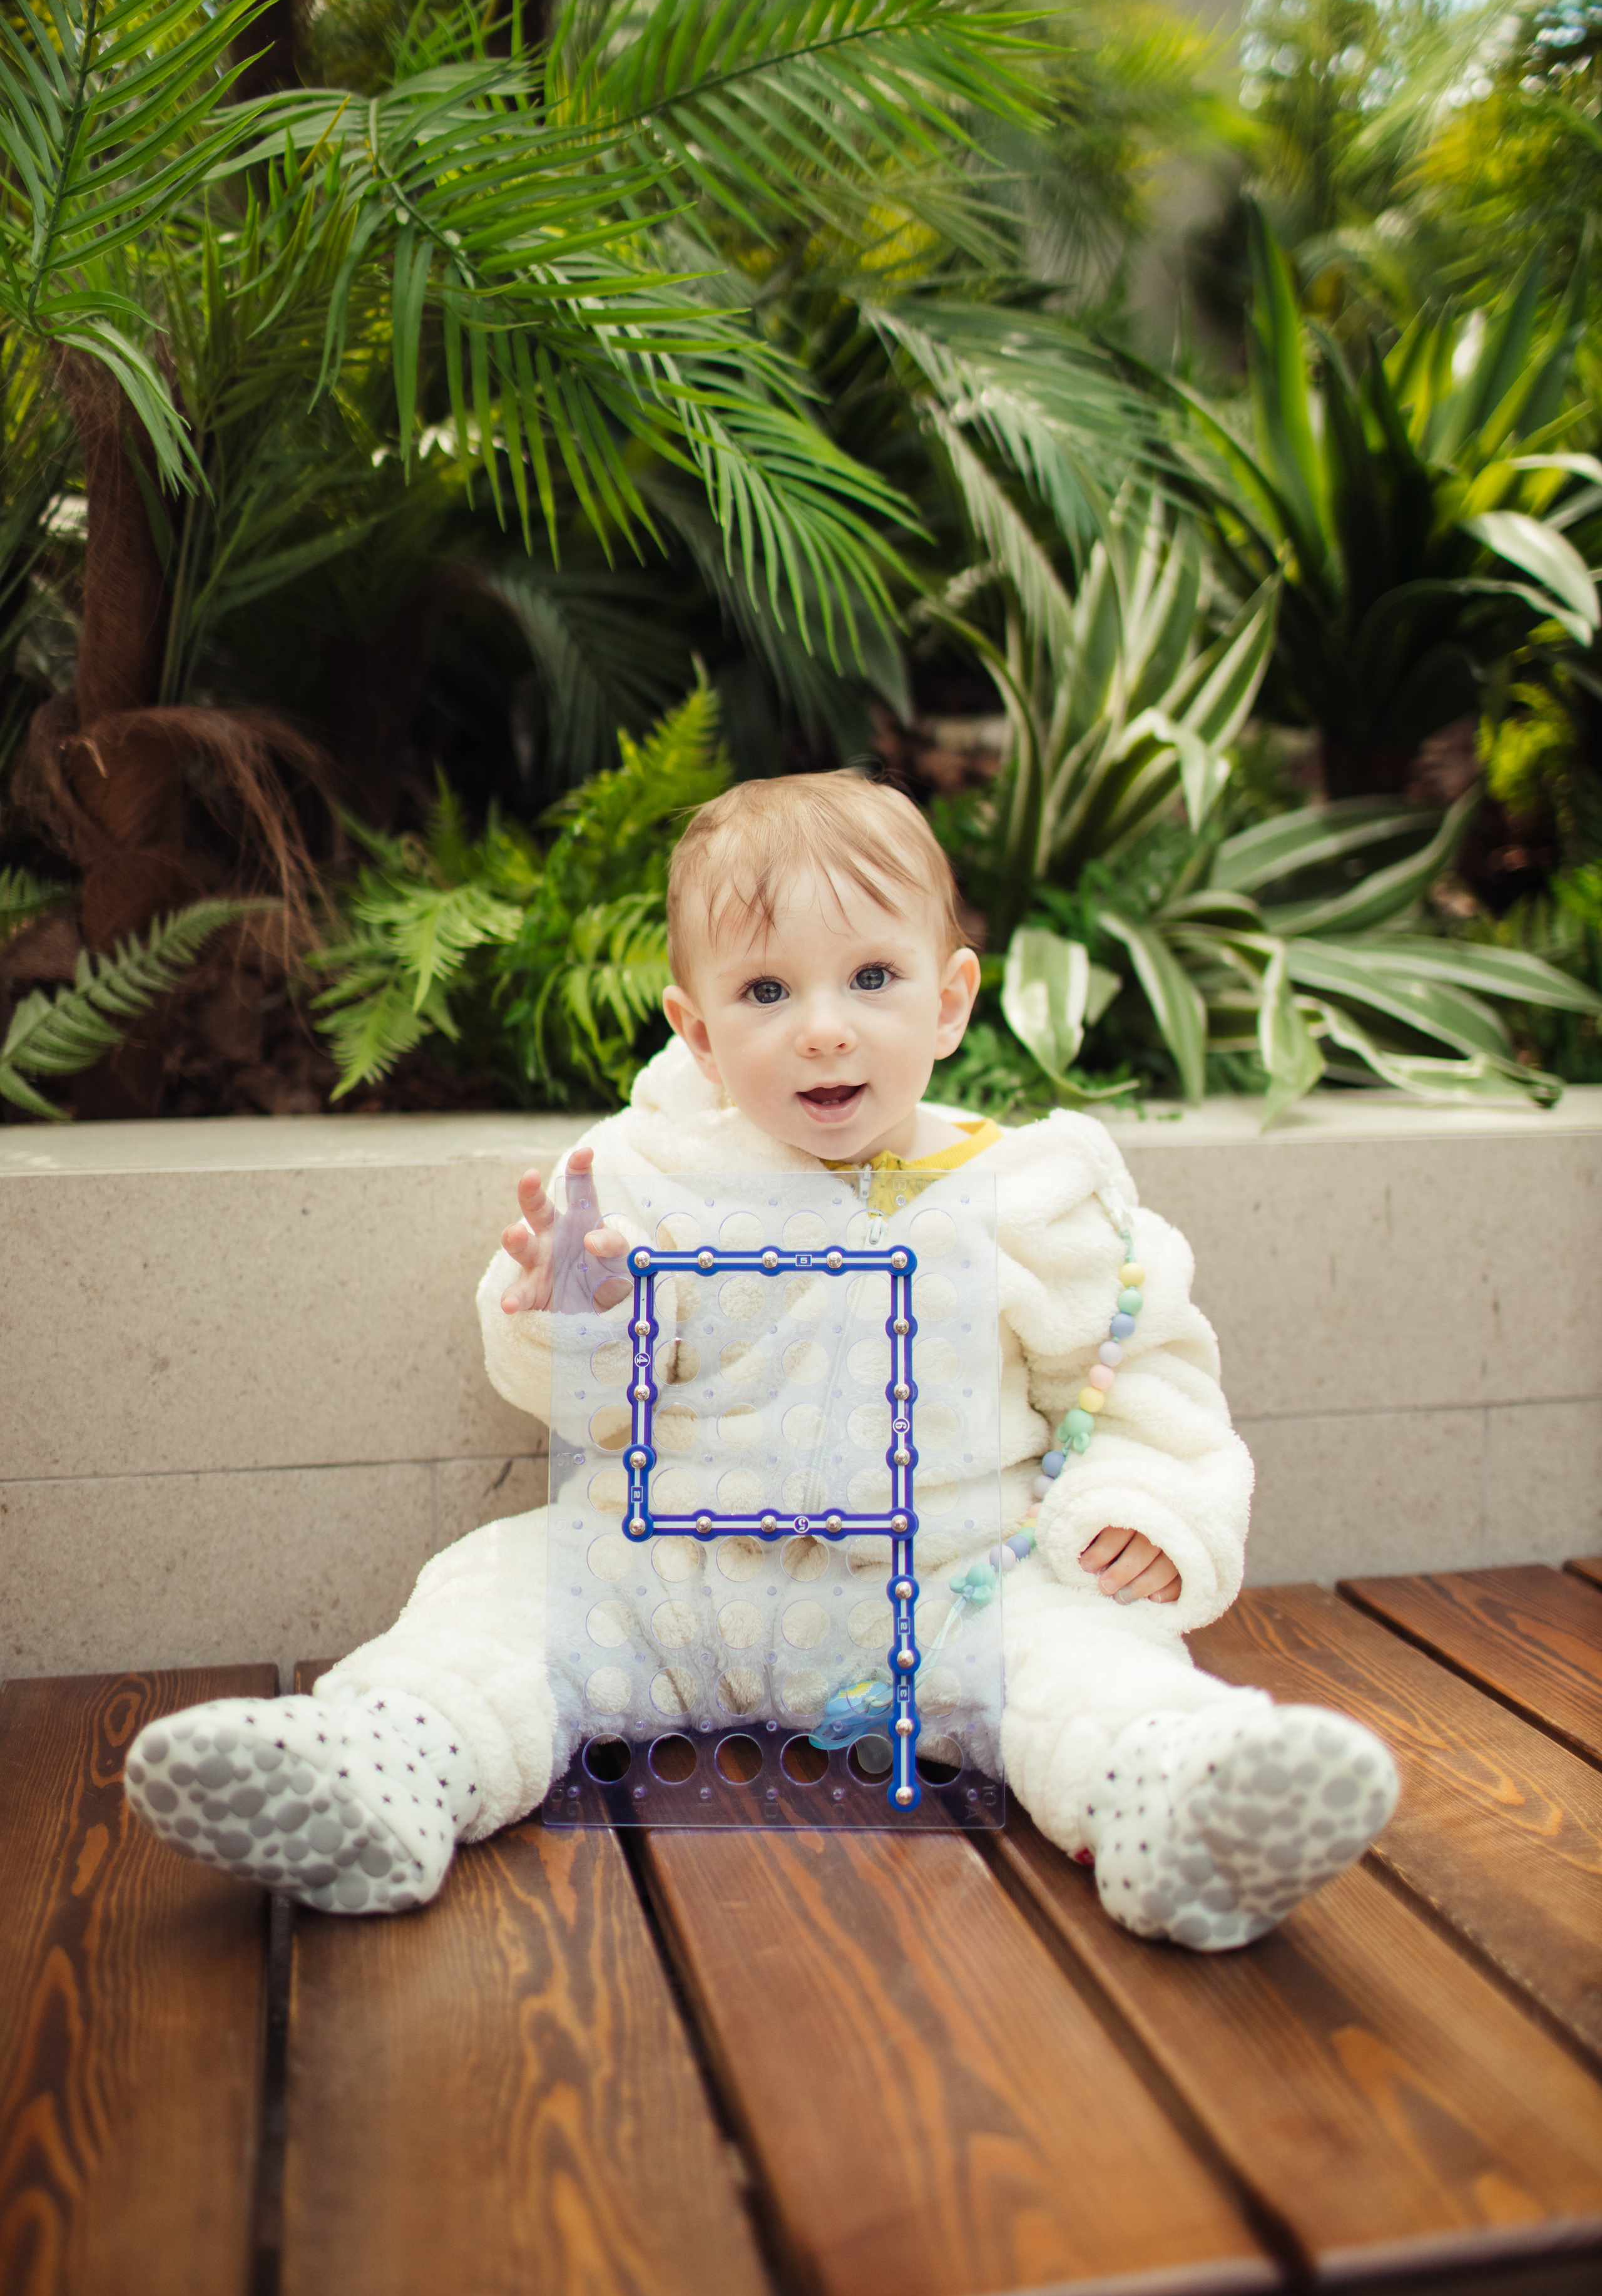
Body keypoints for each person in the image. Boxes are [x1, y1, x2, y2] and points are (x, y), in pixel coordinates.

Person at [125, 773, 1397, 1947]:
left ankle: (1179, 1800)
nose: (824, 1031)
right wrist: (573, 1312)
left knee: (1080, 1660)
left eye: (872, 978)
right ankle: (379, 1767)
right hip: (675, 1575)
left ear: (949, 1001)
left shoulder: (1029, 1198)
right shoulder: (642, 1178)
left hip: (944, 1585)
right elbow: (588, 1407)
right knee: (501, 1603)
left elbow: (1141, 1373)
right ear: (696, 1029)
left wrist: (1146, 1505)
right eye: (767, 993)